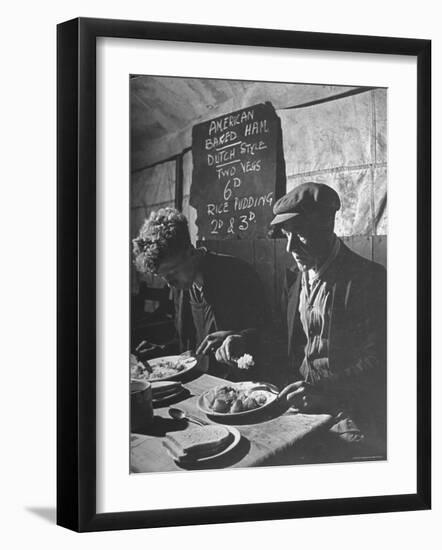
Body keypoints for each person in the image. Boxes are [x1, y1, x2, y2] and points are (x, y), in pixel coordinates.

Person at [271, 182, 387, 456]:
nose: (289, 247)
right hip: (301, 403)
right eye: (286, 235)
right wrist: (243, 339)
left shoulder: (366, 278)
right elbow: (284, 343)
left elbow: (379, 362)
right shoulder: (295, 279)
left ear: (327, 223)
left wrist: (323, 390)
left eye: (299, 234)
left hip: (347, 408)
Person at [132, 207, 269, 379]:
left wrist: (240, 337)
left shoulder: (237, 274)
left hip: (238, 386)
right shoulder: (181, 288)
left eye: (173, 273)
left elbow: (270, 336)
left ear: (190, 252)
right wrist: (162, 352)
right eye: (163, 277)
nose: (170, 284)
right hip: (198, 383)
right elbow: (188, 347)